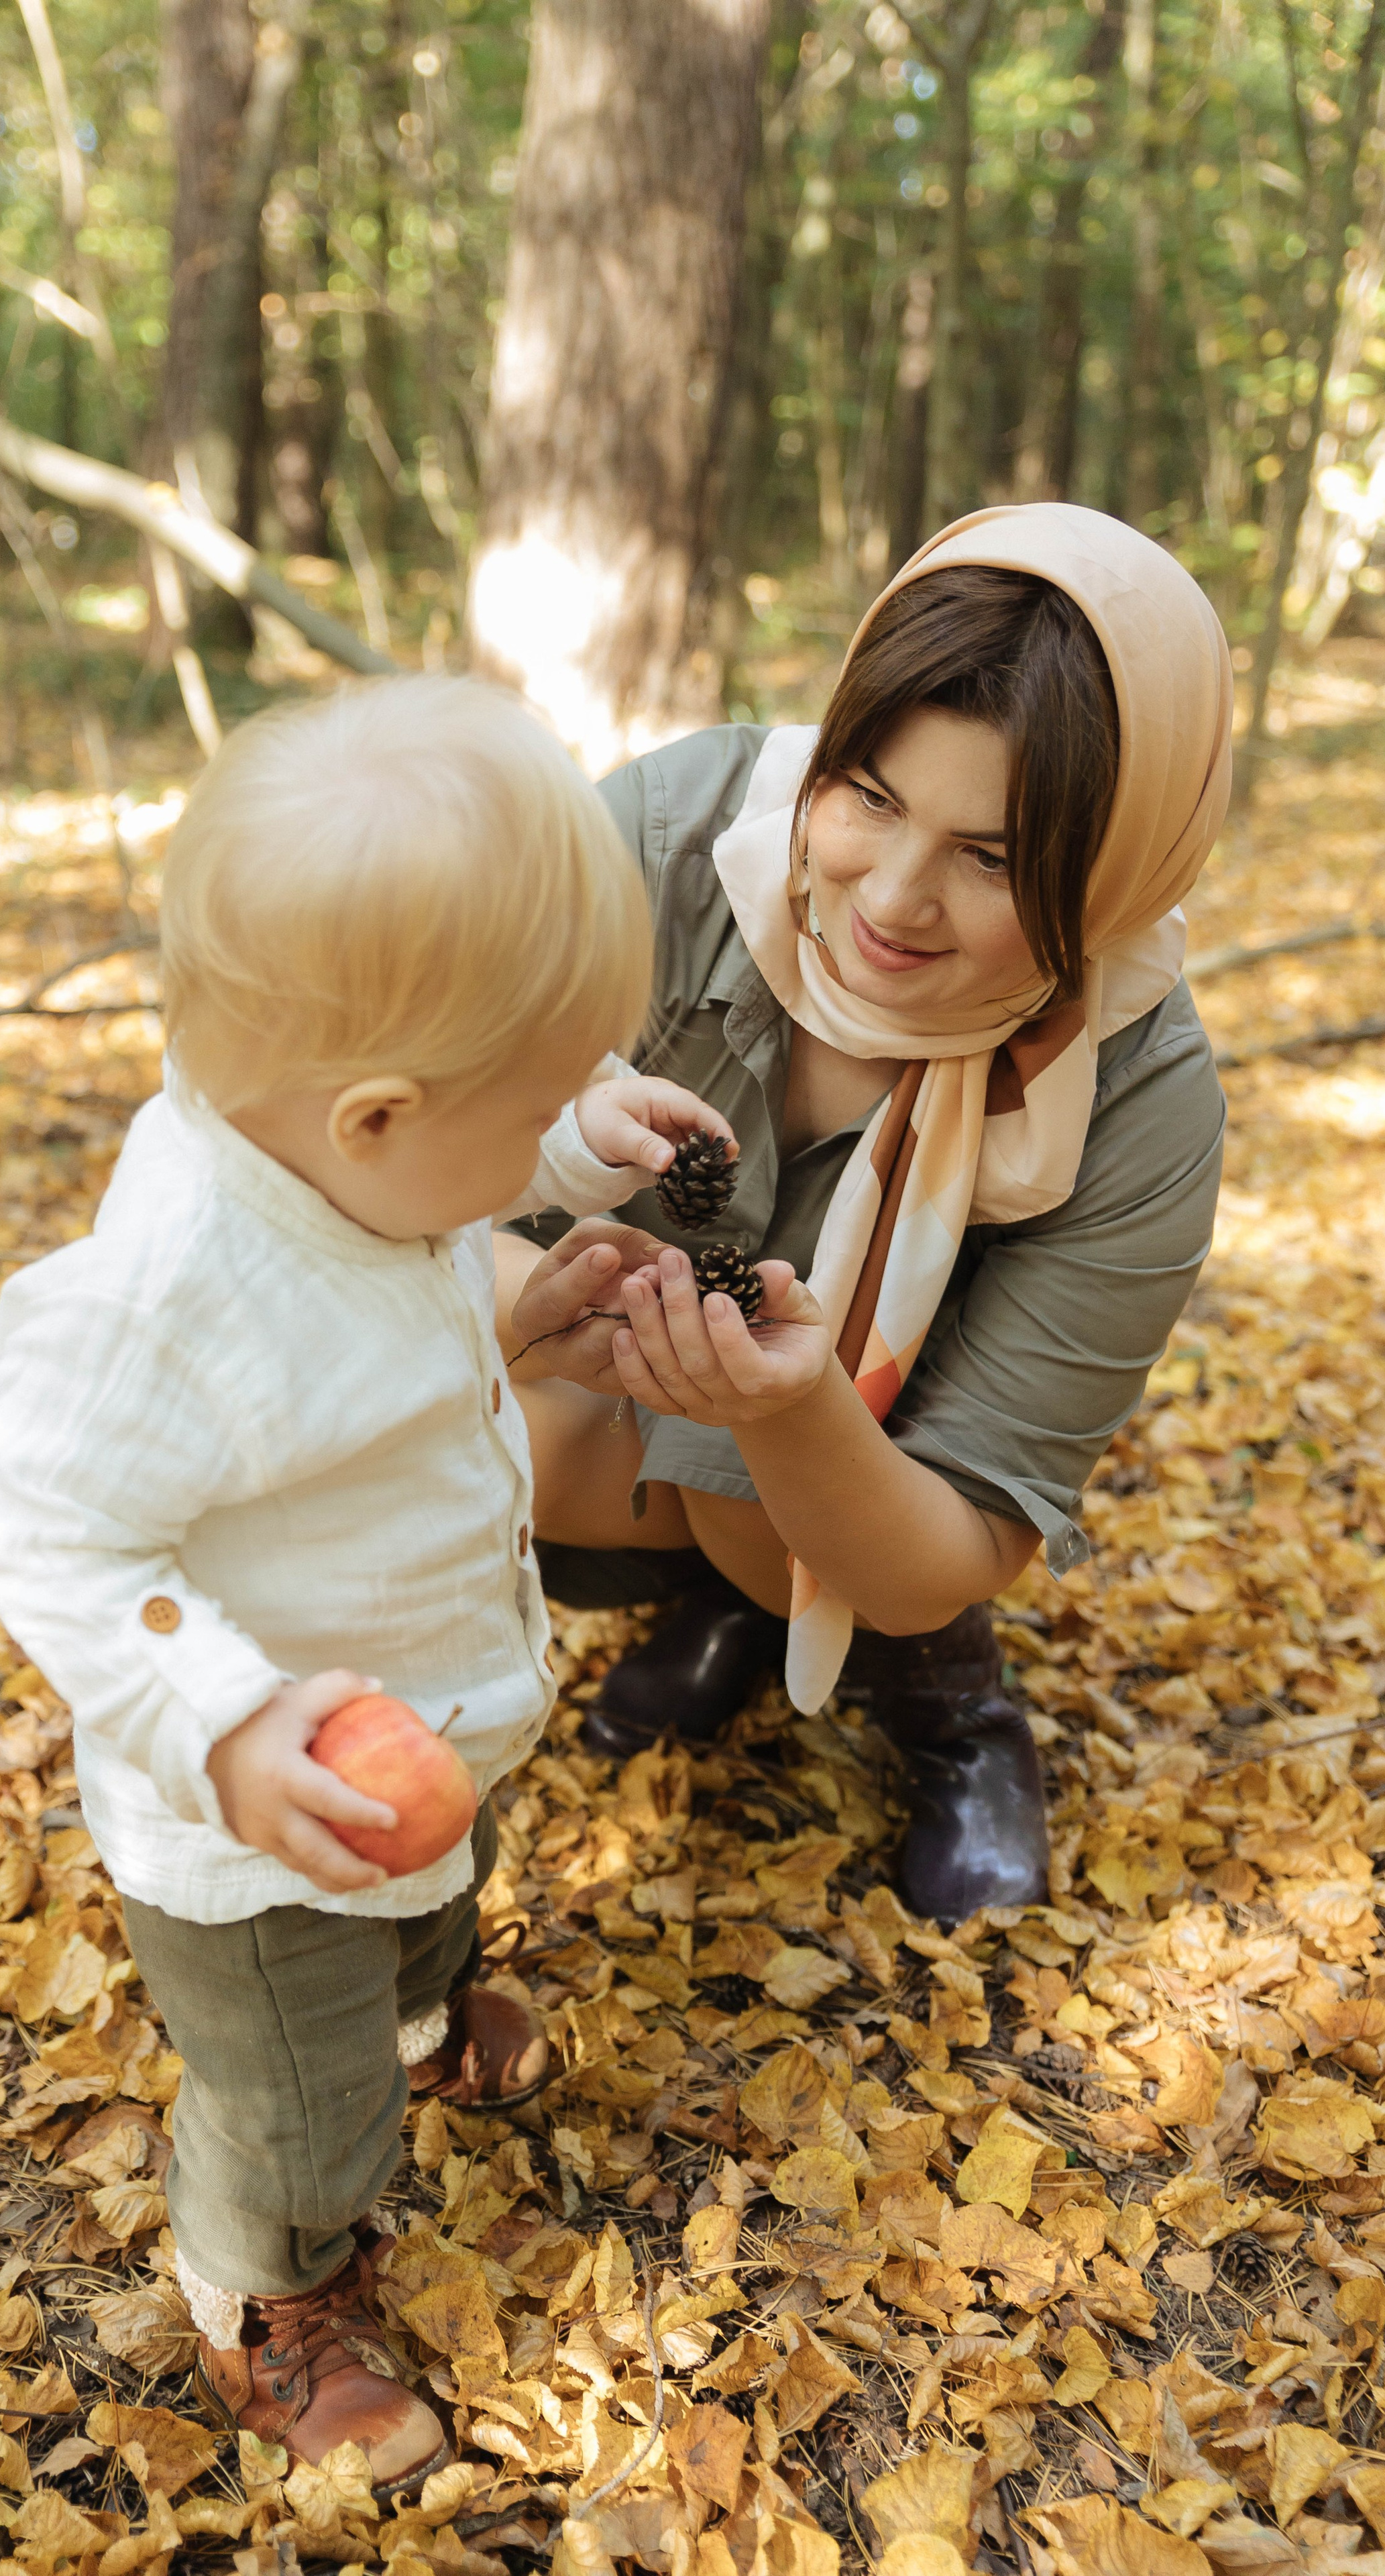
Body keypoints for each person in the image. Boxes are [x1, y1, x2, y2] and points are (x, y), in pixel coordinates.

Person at [0, 679, 736, 2496]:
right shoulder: (159, 1304)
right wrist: (223, 1722)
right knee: (299, 2108)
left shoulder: (348, 1162)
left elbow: (375, 1313)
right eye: (549, 1096)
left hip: (429, 1716)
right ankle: (268, 2285)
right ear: (382, 1118)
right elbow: (54, 1533)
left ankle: (419, 2008)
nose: (572, 1123)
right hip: (267, 1829)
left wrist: (524, 1262)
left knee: (433, 1917)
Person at [498, 504, 1232, 1923]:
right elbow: (380, 1156)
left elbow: (953, 1536)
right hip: (572, 1368)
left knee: (765, 1533)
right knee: (469, 1439)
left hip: (871, 1475)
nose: (892, 901)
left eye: (997, 859)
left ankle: (950, 1708)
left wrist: (786, 1417)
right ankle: (717, 1602)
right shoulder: (664, 846)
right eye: (870, 798)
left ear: (1116, 869)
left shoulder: (1137, 1093)